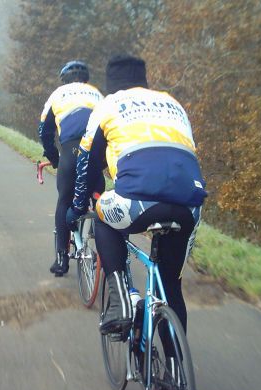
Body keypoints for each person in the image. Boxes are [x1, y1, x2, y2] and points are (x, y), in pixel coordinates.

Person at [66, 54, 207, 337]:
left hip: (138, 202)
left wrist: (78, 206)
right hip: (189, 206)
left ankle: (120, 301)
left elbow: (85, 162)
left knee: (102, 216)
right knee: (171, 287)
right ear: (144, 80)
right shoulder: (173, 104)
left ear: (111, 84)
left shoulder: (108, 105)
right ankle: (172, 369)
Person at [39, 60, 103, 276]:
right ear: (86, 79)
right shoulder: (97, 94)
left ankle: (61, 260)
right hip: (96, 149)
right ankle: (112, 256)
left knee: (65, 200)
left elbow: (44, 132)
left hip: (71, 150)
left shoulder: (58, 94)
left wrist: (54, 157)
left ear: (64, 79)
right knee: (99, 199)